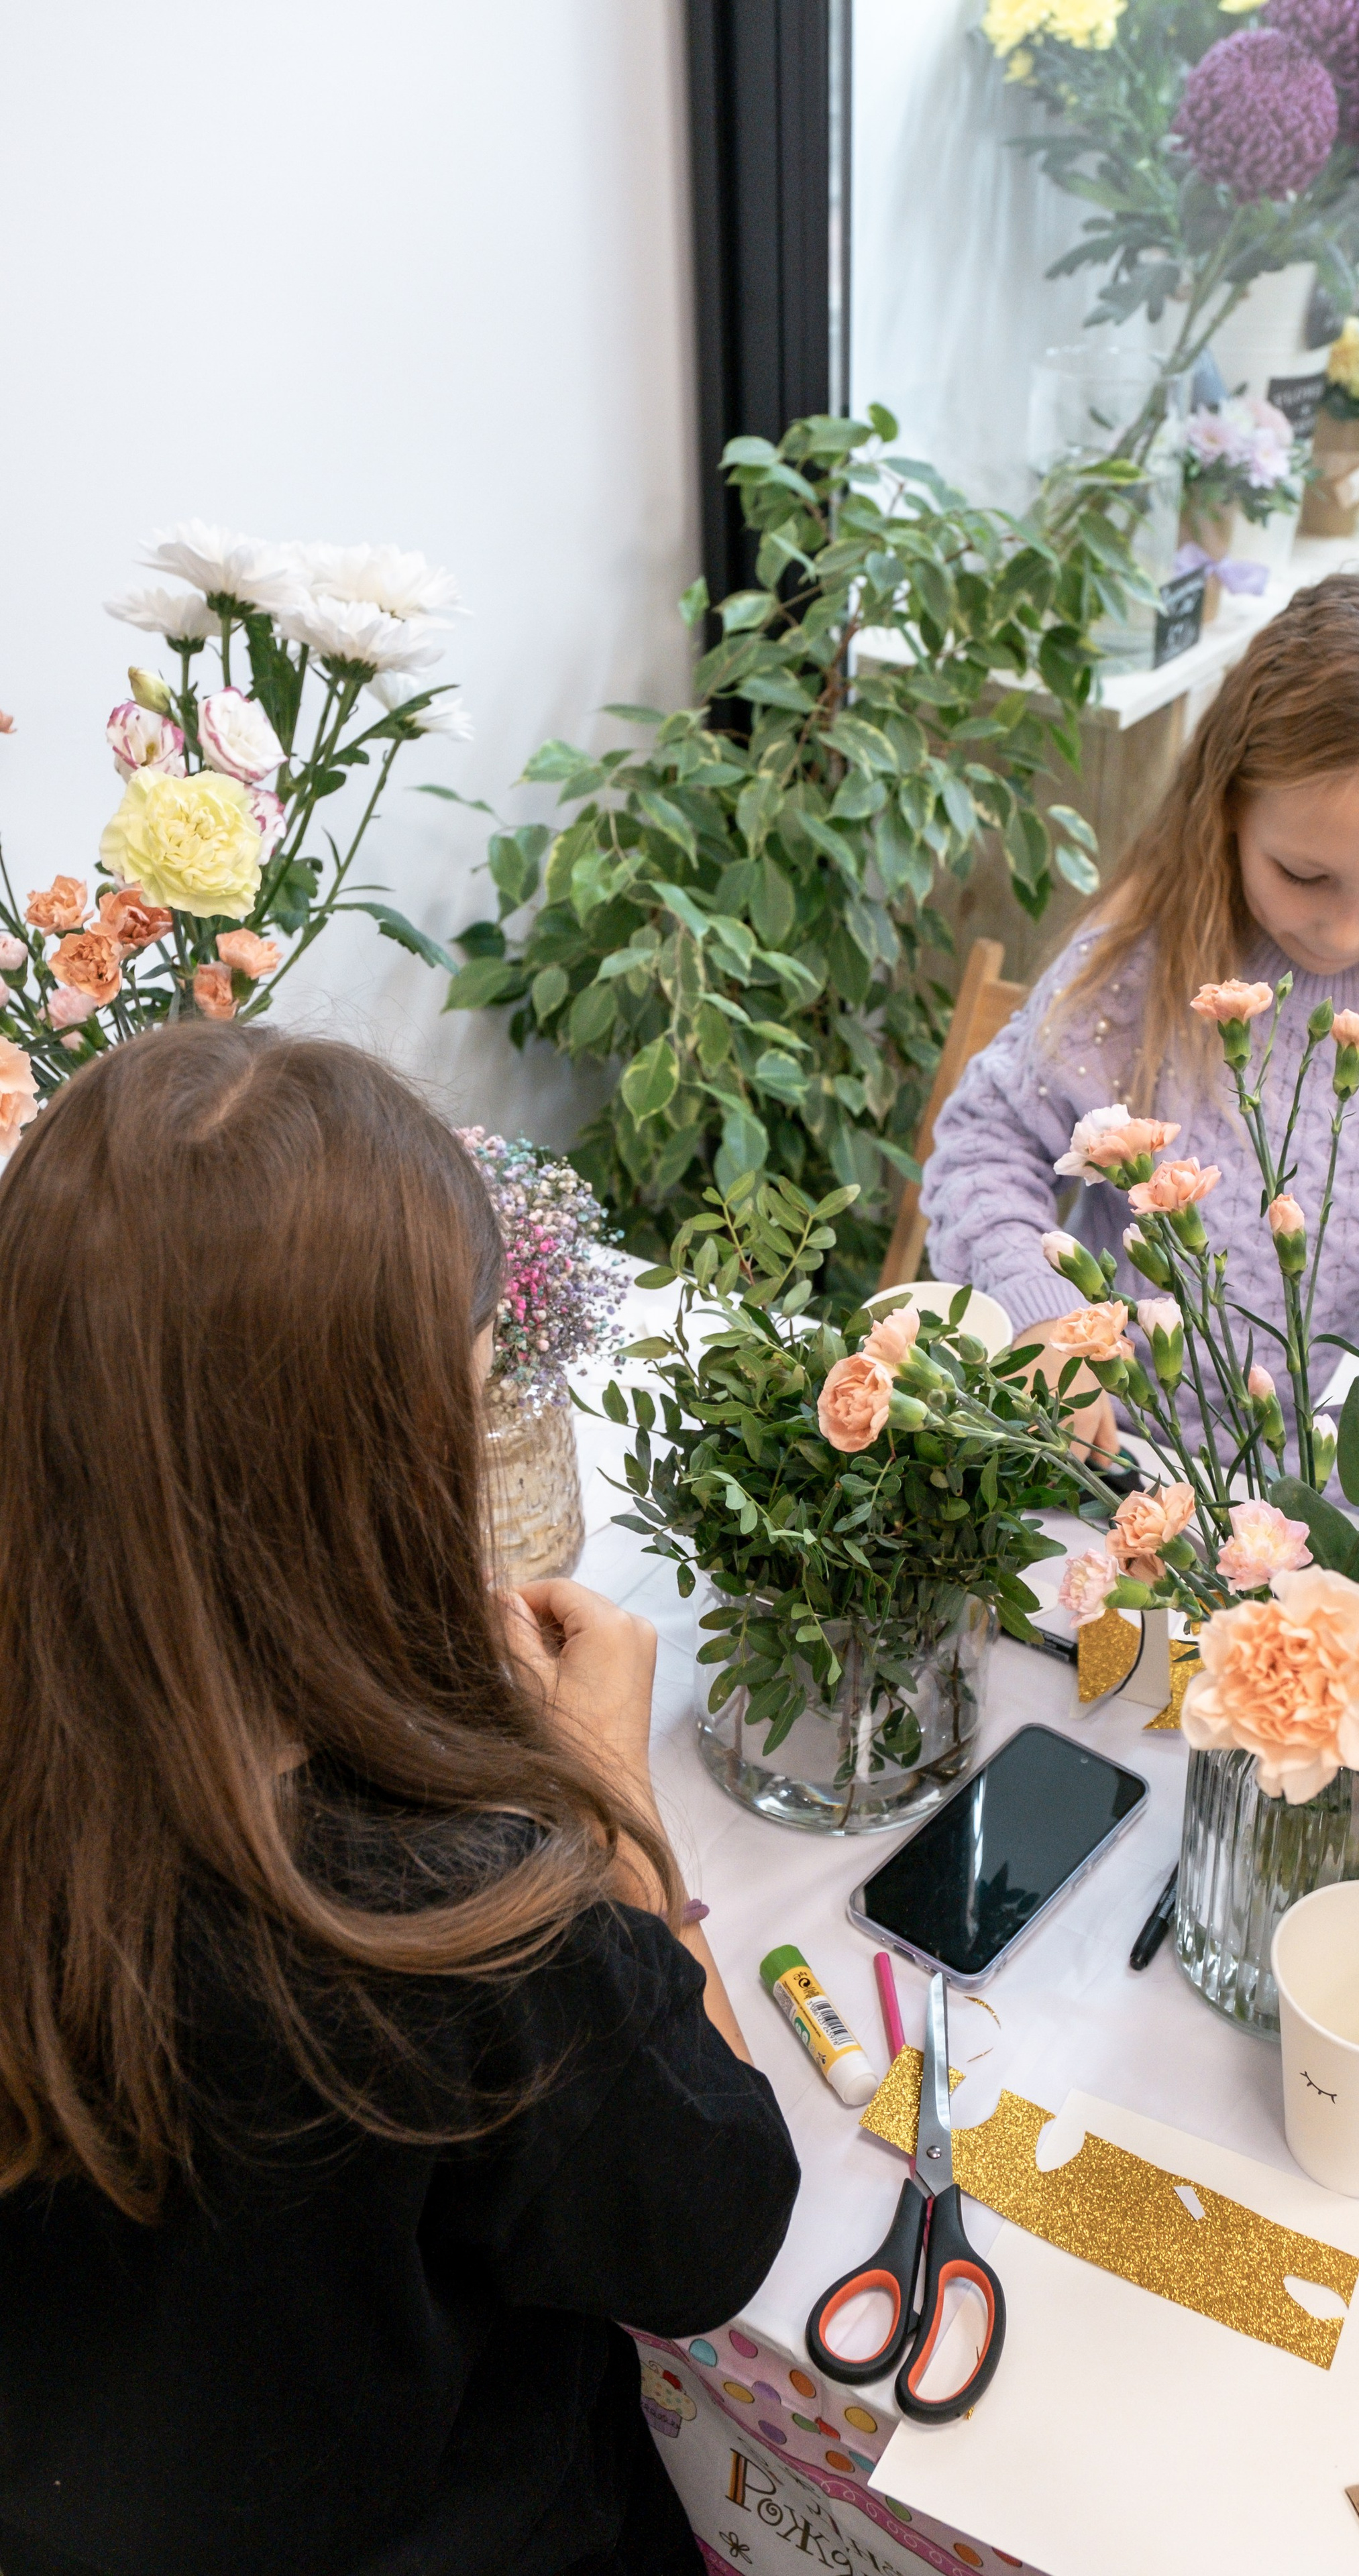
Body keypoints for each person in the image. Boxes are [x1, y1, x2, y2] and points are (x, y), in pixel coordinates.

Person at [0, 1025, 798, 2576]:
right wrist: (613, 1803)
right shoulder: (456, 1924)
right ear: (363, 1466)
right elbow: (716, 2228)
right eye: (474, 1390)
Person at [921, 569, 1359, 1458]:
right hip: (1123, 1464)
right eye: (1304, 873)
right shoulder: (1145, 966)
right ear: (1227, 803)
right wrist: (1044, 1317)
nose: (1345, 927)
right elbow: (985, 1148)